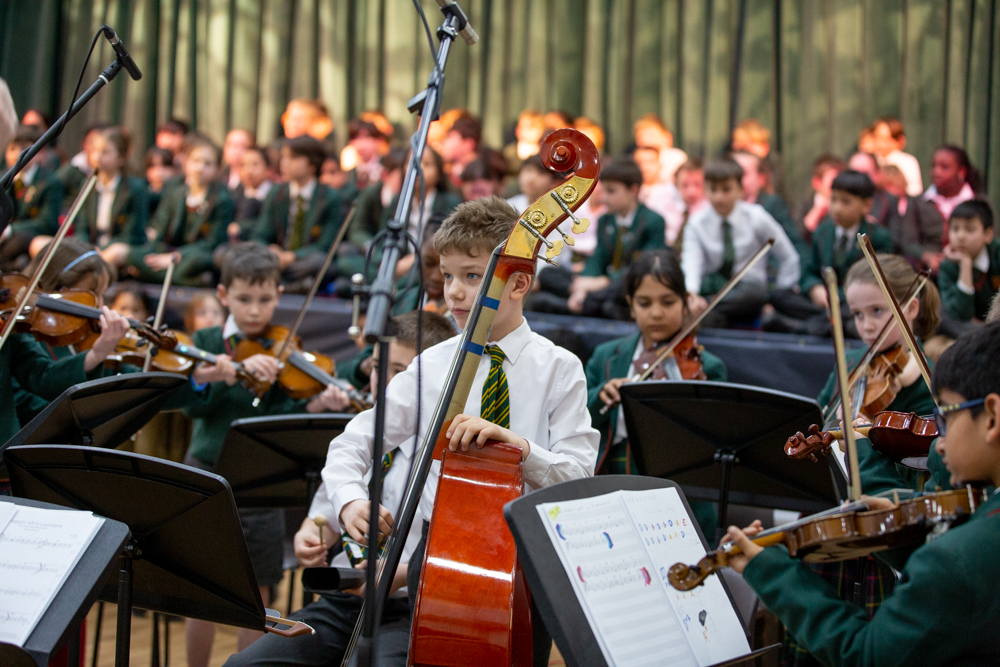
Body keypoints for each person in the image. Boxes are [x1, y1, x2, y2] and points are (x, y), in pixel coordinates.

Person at [322, 196, 598, 667]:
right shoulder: (434, 363)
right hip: (443, 554)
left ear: (519, 282)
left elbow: (578, 479)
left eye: (472, 276)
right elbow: (354, 441)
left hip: (532, 561)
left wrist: (520, 448)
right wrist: (350, 498)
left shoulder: (559, 367)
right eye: (447, 276)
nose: (453, 292)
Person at [727, 321, 1000, 666]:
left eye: (943, 416)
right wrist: (903, 532)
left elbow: (865, 656)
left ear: (991, 417)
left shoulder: (955, 561)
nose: (938, 443)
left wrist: (773, 572)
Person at [221, 310, 456, 667]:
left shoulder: (444, 454)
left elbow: (453, 556)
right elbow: (325, 514)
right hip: (343, 603)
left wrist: (392, 575)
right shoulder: (360, 437)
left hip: (411, 609)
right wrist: (310, 536)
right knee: (244, 664)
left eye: (399, 371)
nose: (384, 381)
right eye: (378, 368)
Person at [179, 243, 351, 667]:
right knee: (202, 589)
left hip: (260, 483)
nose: (255, 311)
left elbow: (281, 416)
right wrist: (223, 376)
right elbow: (191, 406)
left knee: (258, 590)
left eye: (265, 300)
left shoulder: (283, 348)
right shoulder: (206, 342)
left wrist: (314, 406)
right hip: (206, 473)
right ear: (224, 296)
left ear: (278, 295)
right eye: (243, 300)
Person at [585, 249, 725, 534]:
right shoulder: (606, 356)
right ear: (631, 305)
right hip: (611, 480)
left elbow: (713, 442)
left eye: (668, 302)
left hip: (679, 493)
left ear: (686, 303)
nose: (657, 313)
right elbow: (577, 419)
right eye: (645, 303)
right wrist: (602, 394)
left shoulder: (706, 366)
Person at [769, 171, 894, 336]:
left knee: (854, 313)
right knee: (779, 296)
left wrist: (837, 295)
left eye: (846, 202)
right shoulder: (822, 232)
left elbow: (874, 282)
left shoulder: (877, 237)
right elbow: (809, 271)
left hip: (850, 303)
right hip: (823, 303)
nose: (837, 208)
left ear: (866, 206)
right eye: (833, 199)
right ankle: (825, 324)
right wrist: (815, 288)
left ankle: (802, 327)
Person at [681, 156, 799, 329]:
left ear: (740, 189)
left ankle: (709, 313)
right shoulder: (696, 223)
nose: (719, 197)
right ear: (705, 189)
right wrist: (692, 295)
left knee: (753, 295)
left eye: (726, 190)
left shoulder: (757, 217)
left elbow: (788, 257)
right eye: (713, 190)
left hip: (748, 294)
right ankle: (710, 314)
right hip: (715, 290)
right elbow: (691, 263)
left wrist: (779, 293)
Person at [127, 138, 233, 286]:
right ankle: (191, 281)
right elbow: (160, 228)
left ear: (217, 169)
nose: (200, 167)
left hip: (195, 255)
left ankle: (162, 276)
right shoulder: (175, 193)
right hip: (169, 251)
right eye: (195, 161)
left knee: (198, 261)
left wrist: (176, 256)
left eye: (207, 164)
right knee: (133, 255)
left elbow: (212, 242)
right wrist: (156, 251)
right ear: (186, 163)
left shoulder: (222, 199)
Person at [251, 135, 345, 291]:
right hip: (276, 259)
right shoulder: (277, 192)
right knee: (245, 255)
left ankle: (280, 283)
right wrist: (270, 251)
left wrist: (293, 256)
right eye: (283, 158)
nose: (284, 163)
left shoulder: (329, 198)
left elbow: (326, 245)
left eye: (292, 158)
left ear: (312, 165)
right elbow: (260, 233)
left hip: (302, 260)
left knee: (320, 263)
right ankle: (295, 286)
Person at [68, 127, 149, 272]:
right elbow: (82, 229)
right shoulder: (87, 185)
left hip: (117, 249)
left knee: (115, 253)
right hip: (91, 249)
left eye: (105, 152)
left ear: (121, 158)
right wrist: (88, 248)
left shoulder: (135, 188)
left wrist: (101, 249)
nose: (97, 157)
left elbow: (134, 234)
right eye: (94, 151)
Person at [849, 151, 945, 272]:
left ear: (877, 174)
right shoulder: (842, 203)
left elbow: (899, 241)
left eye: (865, 173)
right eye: (854, 172)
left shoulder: (889, 201)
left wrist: (874, 227)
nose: (859, 178)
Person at [1, 125, 63, 270]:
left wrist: (10, 229)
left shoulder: (50, 182)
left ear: (39, 152)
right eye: (12, 149)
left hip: (30, 240)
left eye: (23, 149)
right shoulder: (4, 179)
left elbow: (47, 223)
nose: (17, 155)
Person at [732, 150, 808, 261]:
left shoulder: (772, 205)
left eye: (743, 174)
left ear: (761, 178)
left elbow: (795, 248)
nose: (737, 180)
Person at [939, 200, 999, 334]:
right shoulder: (947, 267)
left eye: (970, 229)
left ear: (988, 235)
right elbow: (962, 314)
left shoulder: (997, 254)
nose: (961, 236)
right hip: (969, 333)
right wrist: (965, 264)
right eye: (955, 229)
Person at [924, 145, 979, 245]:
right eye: (933, 166)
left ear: (961, 172)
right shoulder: (919, 203)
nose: (936, 172)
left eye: (944, 167)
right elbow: (909, 242)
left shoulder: (977, 203)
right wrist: (926, 255)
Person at [634, 145, 684, 237]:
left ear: (660, 164)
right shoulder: (631, 193)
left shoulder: (672, 190)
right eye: (639, 163)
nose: (645, 167)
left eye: (650, 162)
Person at [797, 154, 843, 240]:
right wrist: (816, 212)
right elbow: (797, 237)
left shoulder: (844, 206)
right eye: (833, 182)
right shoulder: (805, 204)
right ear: (817, 182)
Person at [633, 113, 687, 184]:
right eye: (640, 137)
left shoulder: (676, 157)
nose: (646, 141)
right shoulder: (635, 159)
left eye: (651, 135)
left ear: (667, 137)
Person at [672, 158, 708, 250]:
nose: (691, 191)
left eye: (697, 184)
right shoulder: (665, 205)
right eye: (685, 185)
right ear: (676, 184)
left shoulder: (710, 211)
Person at [440, 113, 481, 188]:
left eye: (450, 137)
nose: (444, 142)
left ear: (468, 144)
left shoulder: (481, 176)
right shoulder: (451, 173)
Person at [503, 108, 545, 176]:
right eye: (526, 127)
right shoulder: (508, 154)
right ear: (517, 130)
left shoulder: (544, 154)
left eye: (535, 127)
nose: (531, 131)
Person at [144, 146, 178, 216]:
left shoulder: (178, 196)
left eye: (165, 165)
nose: (159, 172)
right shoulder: (141, 194)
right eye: (153, 166)